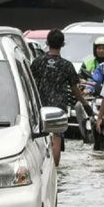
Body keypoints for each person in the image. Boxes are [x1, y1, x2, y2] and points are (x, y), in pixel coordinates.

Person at [31, 28, 92, 167]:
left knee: (41, 138)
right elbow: (75, 89)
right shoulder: (67, 65)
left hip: (41, 106)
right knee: (57, 138)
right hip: (59, 107)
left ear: (47, 42)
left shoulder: (37, 62)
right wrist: (86, 105)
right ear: (62, 44)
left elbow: (30, 83)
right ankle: (55, 170)